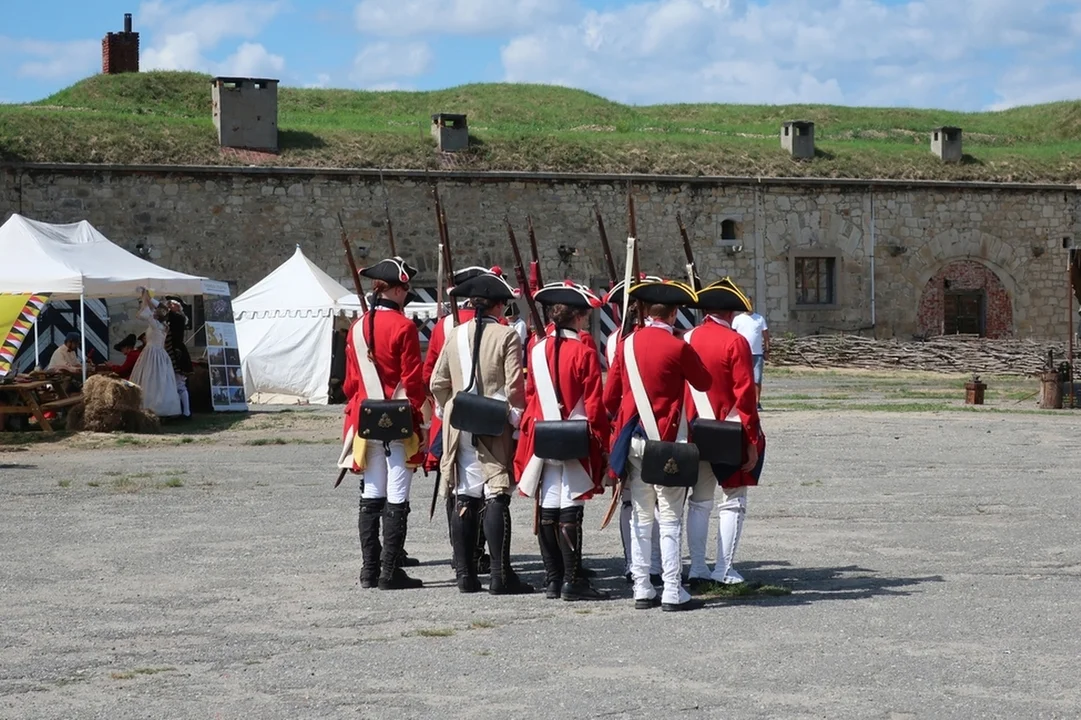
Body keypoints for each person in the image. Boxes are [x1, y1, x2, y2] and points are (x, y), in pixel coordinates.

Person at [604, 279, 711, 611]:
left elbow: (610, 398)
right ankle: (672, 588)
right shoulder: (678, 347)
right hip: (667, 439)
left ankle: (641, 587)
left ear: (646, 312)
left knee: (641, 515)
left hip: (635, 439)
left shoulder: (627, 344)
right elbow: (704, 382)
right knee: (669, 517)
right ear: (674, 313)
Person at [430, 272, 532, 595]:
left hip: (459, 423)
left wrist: (452, 409)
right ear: (499, 306)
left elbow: (437, 382)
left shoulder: (455, 333)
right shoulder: (506, 336)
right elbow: (515, 386)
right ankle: (500, 577)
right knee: (496, 492)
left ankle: (466, 575)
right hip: (493, 421)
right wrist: (514, 419)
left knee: (465, 493)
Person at [514, 281, 609, 601]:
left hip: (543, 434)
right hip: (574, 435)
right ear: (579, 318)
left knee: (549, 505)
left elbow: (531, 396)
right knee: (569, 506)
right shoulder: (583, 352)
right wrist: (601, 444)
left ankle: (553, 578)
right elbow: (594, 405)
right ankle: (571, 579)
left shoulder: (535, 348)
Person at [337, 256, 427, 591]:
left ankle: (369, 570)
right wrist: (416, 412)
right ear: (397, 288)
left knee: (373, 490)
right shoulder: (404, 327)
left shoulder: (358, 326)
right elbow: (413, 382)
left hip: (365, 418)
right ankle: (390, 572)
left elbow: (348, 384)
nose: (407, 292)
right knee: (397, 492)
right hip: (399, 417)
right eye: (406, 287)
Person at [682, 279, 766, 587]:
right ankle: (723, 569)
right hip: (729, 431)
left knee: (700, 501)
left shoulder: (688, 336)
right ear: (731, 312)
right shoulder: (736, 342)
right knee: (733, 500)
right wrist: (752, 440)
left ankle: (698, 569)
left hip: (695, 429)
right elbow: (745, 396)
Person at [422, 265, 503, 576]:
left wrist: (442, 410)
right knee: (487, 486)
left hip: (453, 417)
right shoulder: (499, 325)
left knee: (456, 485)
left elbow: (431, 373)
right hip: (490, 416)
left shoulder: (445, 326)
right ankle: (480, 552)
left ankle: (461, 555)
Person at [601, 277, 664, 585]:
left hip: (629, 427)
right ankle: (645, 563)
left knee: (639, 502)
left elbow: (610, 397)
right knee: (644, 502)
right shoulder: (619, 341)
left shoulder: (620, 341)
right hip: (652, 426)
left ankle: (641, 565)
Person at [129, 289, 182, 418]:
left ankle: (150, 406)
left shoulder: (155, 324)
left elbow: (142, 312)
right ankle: (164, 406)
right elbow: (154, 309)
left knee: (149, 378)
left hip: (151, 353)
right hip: (160, 353)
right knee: (161, 380)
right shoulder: (164, 325)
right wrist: (147, 297)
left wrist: (145, 297)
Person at [732, 309, 769, 409]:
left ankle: (756, 402)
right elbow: (732, 335)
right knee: (742, 379)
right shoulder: (737, 319)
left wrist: (766, 350)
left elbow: (766, 335)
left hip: (757, 354)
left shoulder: (759, 318)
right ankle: (743, 401)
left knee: (757, 379)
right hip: (742, 353)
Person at [164, 298, 193, 419]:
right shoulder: (173, 318)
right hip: (170, 352)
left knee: (180, 384)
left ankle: (186, 412)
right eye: (169, 305)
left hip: (176, 353)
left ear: (178, 306)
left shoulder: (179, 317)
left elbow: (166, 314)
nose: (170, 307)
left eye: (172, 304)